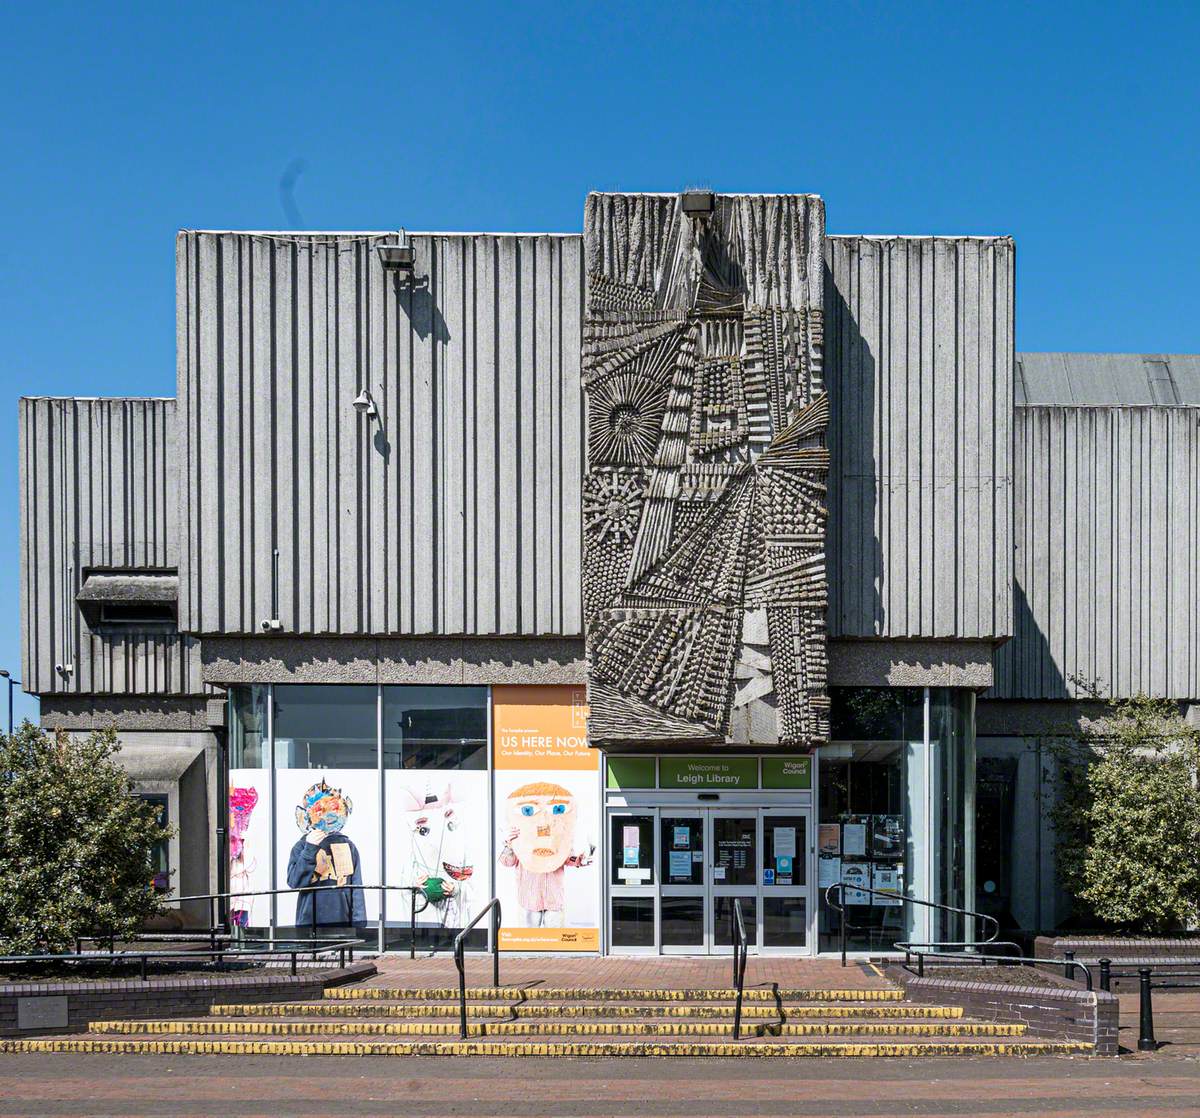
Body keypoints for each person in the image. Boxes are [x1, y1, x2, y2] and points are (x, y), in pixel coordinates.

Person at [499, 781, 593, 927]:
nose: (543, 819)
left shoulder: (557, 837)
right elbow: (507, 862)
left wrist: (580, 861)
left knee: (555, 944)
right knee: (527, 943)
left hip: (554, 900)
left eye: (557, 809)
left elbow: (567, 858)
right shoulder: (521, 839)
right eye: (528, 810)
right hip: (529, 900)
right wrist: (508, 844)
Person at [286, 780, 365, 928]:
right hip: (309, 922)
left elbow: (356, 886)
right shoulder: (301, 846)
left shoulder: (347, 846)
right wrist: (310, 848)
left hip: (341, 920)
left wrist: (359, 922)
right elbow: (294, 882)